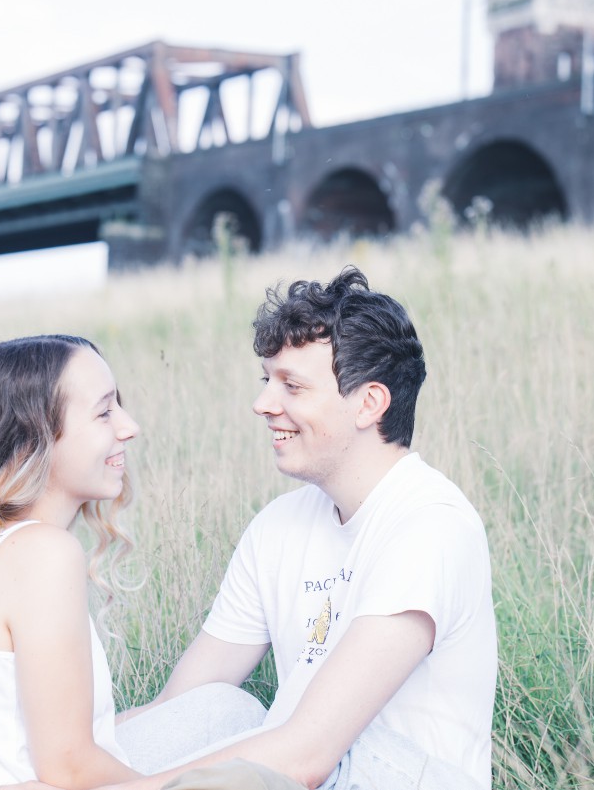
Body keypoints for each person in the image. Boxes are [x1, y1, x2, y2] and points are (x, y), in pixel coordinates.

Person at [89, 267, 498, 790]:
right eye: (268, 381)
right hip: (310, 772)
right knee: (217, 710)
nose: (264, 404)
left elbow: (309, 755)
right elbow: (177, 709)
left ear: (369, 403)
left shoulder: (430, 526)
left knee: (325, 748)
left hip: (385, 776)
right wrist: (53, 768)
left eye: (293, 386)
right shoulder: (278, 527)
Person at [0, 335, 262, 790]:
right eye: (104, 412)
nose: (129, 427)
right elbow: (68, 768)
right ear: (33, 441)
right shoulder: (43, 553)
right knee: (248, 764)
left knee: (225, 712)